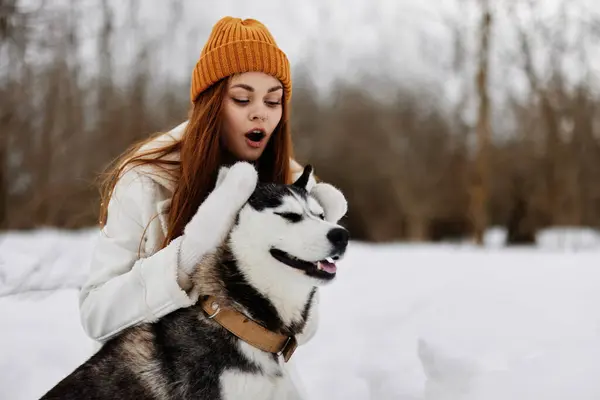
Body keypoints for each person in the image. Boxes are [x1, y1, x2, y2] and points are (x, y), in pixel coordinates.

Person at [78, 16, 348, 398]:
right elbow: (96, 314)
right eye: (242, 98)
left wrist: (305, 249)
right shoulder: (148, 179)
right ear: (210, 102)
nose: (261, 113)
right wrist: (186, 259)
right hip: (150, 384)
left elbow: (302, 329)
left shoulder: (293, 189)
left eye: (273, 100)